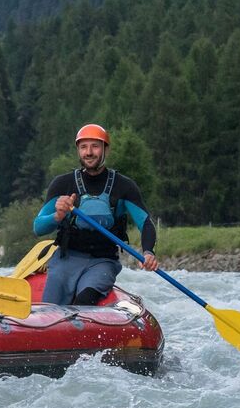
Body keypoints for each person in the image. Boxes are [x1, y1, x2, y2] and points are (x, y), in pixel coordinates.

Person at [33, 124, 159, 305]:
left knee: (83, 302)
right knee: (49, 308)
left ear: (105, 149)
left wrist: (148, 252)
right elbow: (38, 227)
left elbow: (146, 223)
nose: (89, 152)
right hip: (65, 260)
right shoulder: (62, 184)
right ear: (78, 151)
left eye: (95, 146)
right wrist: (58, 216)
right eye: (83, 147)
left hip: (103, 262)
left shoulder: (124, 186)